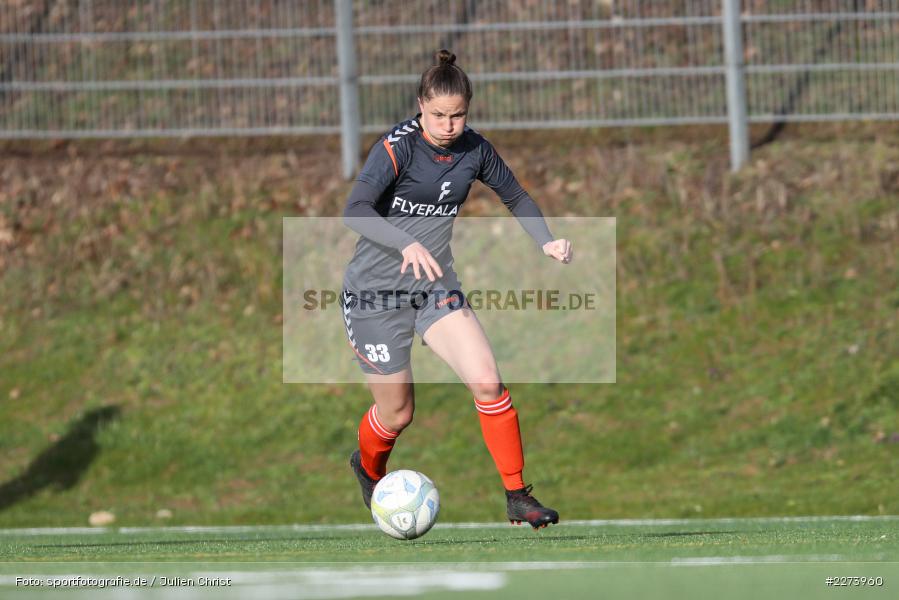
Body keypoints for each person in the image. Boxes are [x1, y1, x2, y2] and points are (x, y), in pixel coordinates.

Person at [341, 49, 572, 529]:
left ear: (468, 110)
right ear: (420, 106)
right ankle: (367, 467)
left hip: (433, 287)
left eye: (458, 115)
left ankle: (517, 497)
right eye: (438, 115)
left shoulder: (475, 149)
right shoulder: (395, 148)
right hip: (375, 295)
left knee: (488, 381)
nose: (448, 125)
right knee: (397, 413)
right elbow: (356, 210)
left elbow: (516, 196)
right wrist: (404, 242)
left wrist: (545, 241)